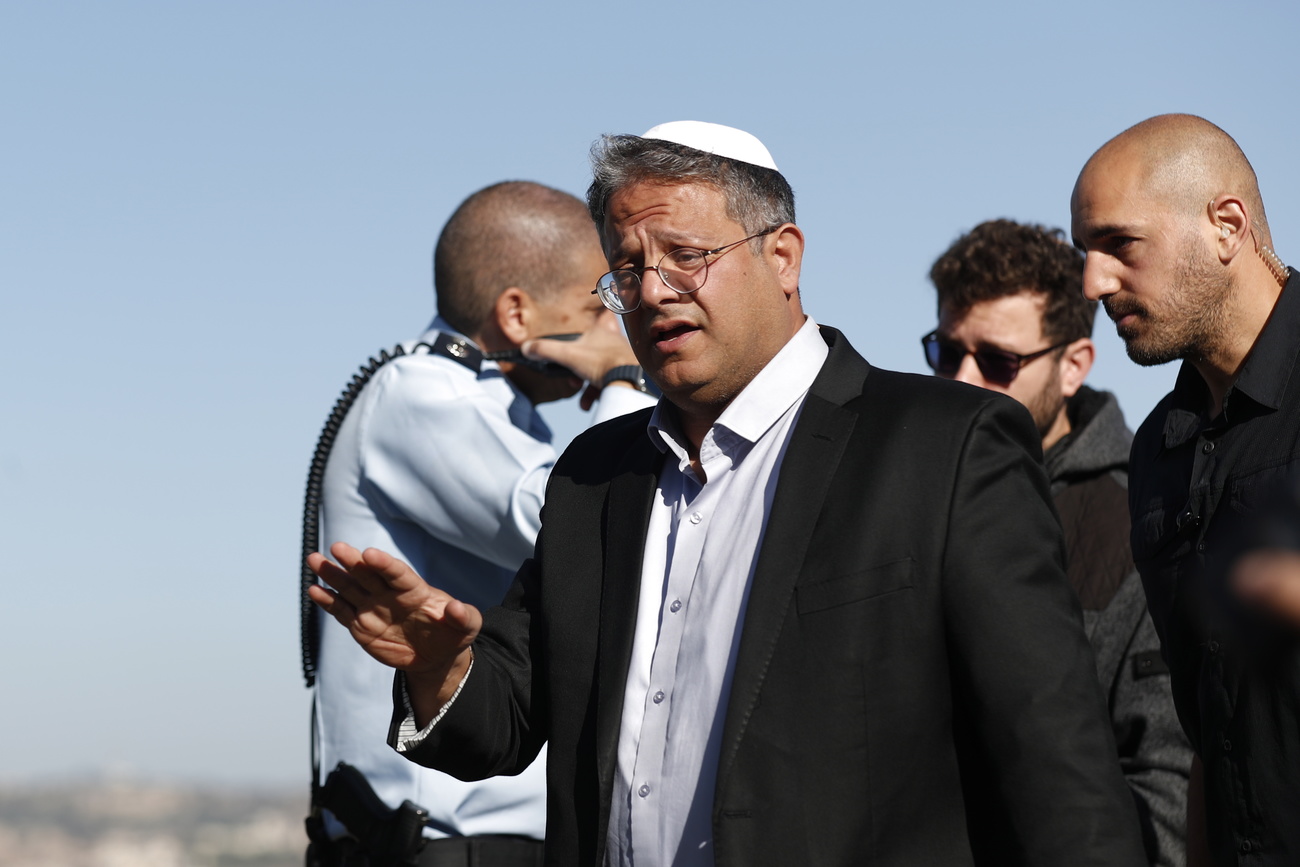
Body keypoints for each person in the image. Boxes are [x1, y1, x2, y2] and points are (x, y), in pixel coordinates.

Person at [311, 122, 1148, 866]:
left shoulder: (942, 445)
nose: (651, 289)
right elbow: (514, 709)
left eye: (686, 255)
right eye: (627, 268)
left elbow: (1052, 757)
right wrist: (440, 664)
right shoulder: (595, 476)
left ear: (782, 255)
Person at [306, 180, 656, 866]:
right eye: (595, 308)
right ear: (517, 314)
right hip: (446, 842)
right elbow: (584, 528)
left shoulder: (486, 406)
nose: (614, 325)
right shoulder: (425, 395)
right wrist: (624, 378)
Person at [924, 218, 1191, 866]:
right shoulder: (900, 494)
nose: (961, 380)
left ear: (1073, 365)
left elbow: (1168, 800)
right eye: (944, 351)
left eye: (997, 361)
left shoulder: (1142, 522)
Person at [1071, 113, 1299, 865]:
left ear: (1226, 226)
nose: (1093, 282)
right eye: (1086, 253)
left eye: (1120, 245)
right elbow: (1209, 732)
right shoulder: (1158, 451)